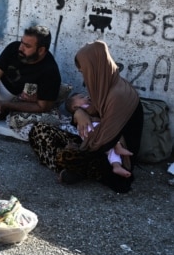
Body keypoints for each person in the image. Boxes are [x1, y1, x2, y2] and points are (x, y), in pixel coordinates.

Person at [29, 40, 143, 193]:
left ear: (94, 69)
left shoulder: (119, 95)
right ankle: (73, 168)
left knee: (71, 155)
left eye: (84, 72)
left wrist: (78, 142)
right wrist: (78, 113)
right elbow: (85, 112)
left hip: (111, 155)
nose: (84, 78)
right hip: (94, 140)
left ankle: (75, 168)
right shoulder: (104, 87)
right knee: (39, 130)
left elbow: (105, 141)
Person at [66, 93, 133, 178]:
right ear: (74, 107)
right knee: (111, 130)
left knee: (111, 151)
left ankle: (117, 166)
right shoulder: (82, 110)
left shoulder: (82, 110)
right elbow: (92, 108)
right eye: (82, 97)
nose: (87, 97)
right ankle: (118, 146)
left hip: (95, 138)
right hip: (93, 131)